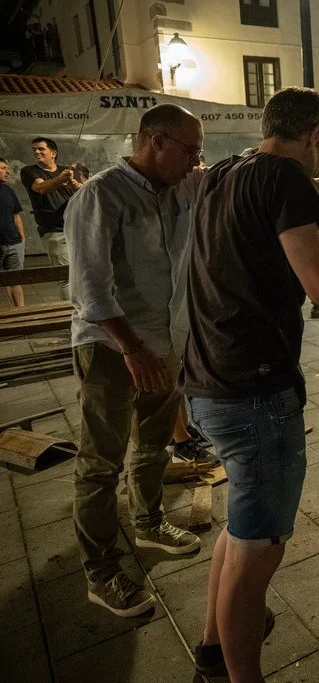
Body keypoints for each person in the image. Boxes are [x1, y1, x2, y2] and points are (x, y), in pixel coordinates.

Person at [183, 87, 319, 682]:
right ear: (315, 135)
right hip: (256, 393)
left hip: (208, 382)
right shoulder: (284, 179)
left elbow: (276, 202)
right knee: (258, 552)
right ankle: (239, 675)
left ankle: (213, 646)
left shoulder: (227, 172)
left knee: (242, 532)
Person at [65, 104, 207, 618]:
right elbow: (90, 291)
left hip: (164, 342)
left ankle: (147, 522)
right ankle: (100, 571)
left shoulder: (181, 187)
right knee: (100, 463)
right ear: (156, 141)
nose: (197, 161)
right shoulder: (100, 196)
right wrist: (133, 350)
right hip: (111, 348)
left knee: (152, 443)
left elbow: (247, 175)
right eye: (191, 150)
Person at [19, 137, 89, 301]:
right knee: (66, 276)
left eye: (41, 149)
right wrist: (60, 180)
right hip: (55, 232)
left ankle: (87, 308)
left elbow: (82, 193)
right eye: (34, 150)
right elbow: (40, 188)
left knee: (85, 272)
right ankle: (69, 312)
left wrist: (74, 185)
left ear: (53, 153)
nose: (36, 152)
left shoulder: (65, 171)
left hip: (77, 228)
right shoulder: (30, 172)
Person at [0, 158, 26, 307]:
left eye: (7, 168)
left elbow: (16, 215)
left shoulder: (8, 190)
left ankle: (20, 313)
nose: (8, 171)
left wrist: (22, 238)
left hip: (14, 243)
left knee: (15, 280)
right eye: (3, 168)